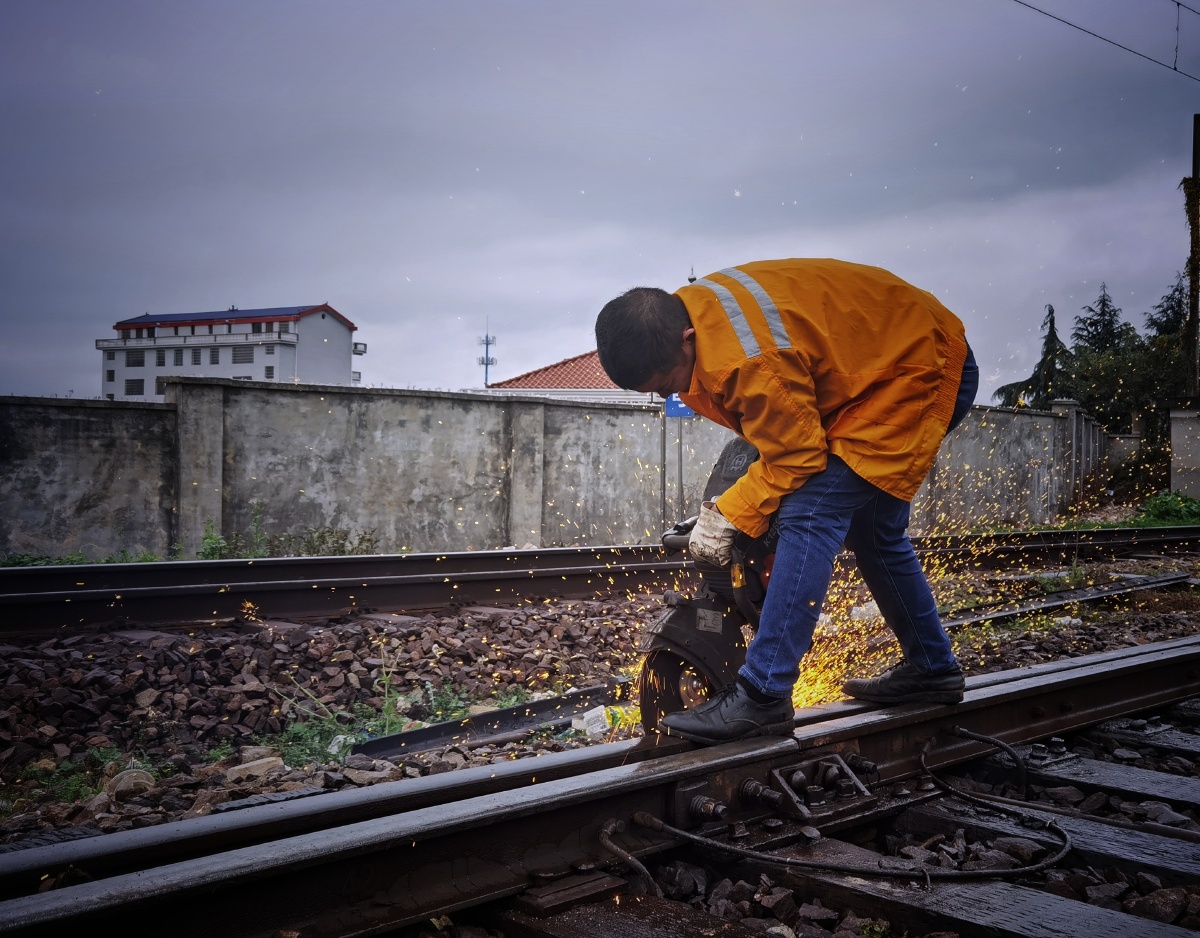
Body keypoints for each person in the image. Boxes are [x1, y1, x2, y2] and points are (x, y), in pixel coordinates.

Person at [595, 258, 979, 745]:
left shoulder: (744, 357)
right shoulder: (689, 319)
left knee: (812, 512)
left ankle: (763, 694)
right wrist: (737, 503)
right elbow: (777, 418)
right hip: (879, 366)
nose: (675, 392)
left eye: (669, 382)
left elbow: (798, 455)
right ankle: (932, 667)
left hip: (918, 368)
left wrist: (730, 513)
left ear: (686, 339)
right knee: (873, 531)